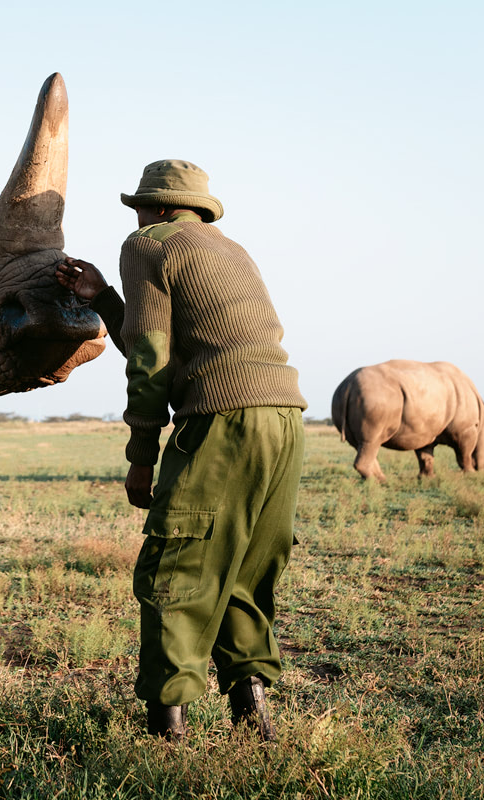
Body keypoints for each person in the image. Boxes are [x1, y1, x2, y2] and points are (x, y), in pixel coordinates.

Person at [55, 159, 307, 741]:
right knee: (244, 568)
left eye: (140, 206)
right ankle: (254, 721)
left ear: (161, 209)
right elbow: (173, 329)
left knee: (179, 568)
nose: (136, 216)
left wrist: (142, 453)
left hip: (223, 420)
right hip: (284, 419)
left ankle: (166, 736)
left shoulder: (150, 243)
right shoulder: (230, 249)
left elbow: (151, 357)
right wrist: (104, 298)